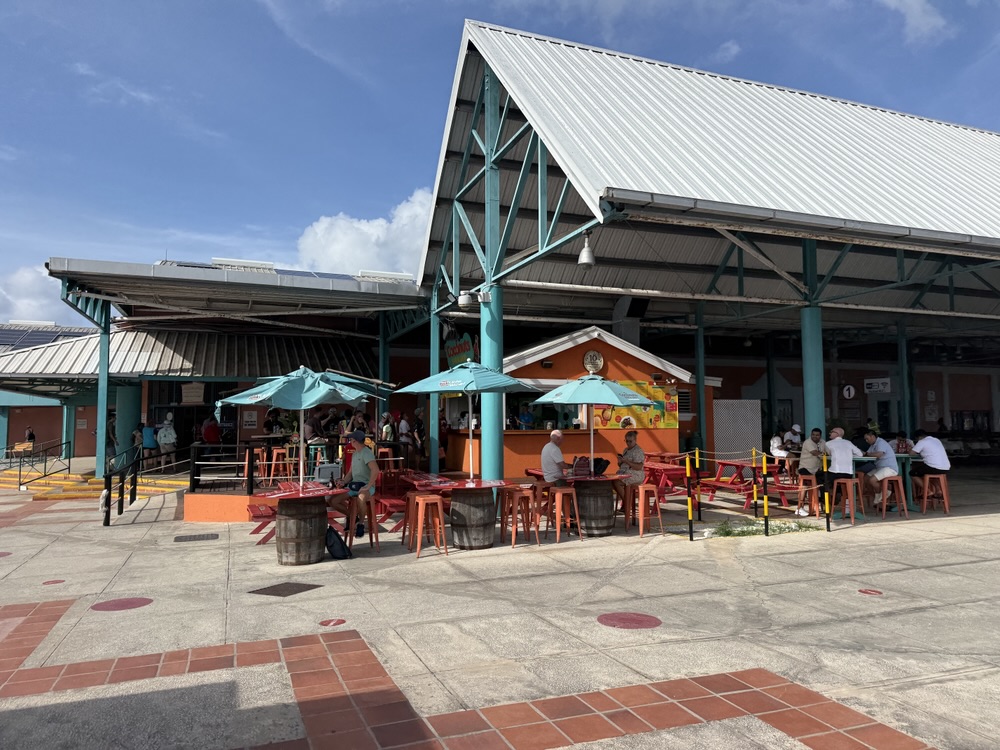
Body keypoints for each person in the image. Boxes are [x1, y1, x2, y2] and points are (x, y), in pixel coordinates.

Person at [333, 429, 380, 536]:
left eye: (351, 440)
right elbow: (350, 473)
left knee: (361, 497)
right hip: (354, 485)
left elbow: (375, 470)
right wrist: (343, 482)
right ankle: (353, 516)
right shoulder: (355, 454)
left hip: (366, 485)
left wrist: (368, 486)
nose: (350, 441)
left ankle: (361, 523)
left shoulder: (366, 452)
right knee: (333, 500)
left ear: (355, 441)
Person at [825, 427, 863, 510]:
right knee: (840, 482)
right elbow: (860, 454)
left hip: (835, 472)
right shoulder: (848, 443)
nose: (830, 433)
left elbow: (828, 454)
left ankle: (829, 499)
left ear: (837, 434)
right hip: (848, 474)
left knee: (821, 479)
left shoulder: (828, 443)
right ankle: (839, 494)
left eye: (832, 431)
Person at [908, 429, 951, 499]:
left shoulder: (922, 441)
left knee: (912, 473)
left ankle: (928, 491)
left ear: (918, 437)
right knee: (930, 474)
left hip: (933, 467)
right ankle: (938, 490)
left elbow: (911, 454)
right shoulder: (936, 440)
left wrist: (911, 449)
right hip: (945, 467)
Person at [863, 429, 899, 508]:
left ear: (872, 436)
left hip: (889, 468)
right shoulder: (873, 445)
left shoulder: (881, 442)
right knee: (866, 478)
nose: (866, 441)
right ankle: (880, 495)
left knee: (872, 480)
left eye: (867, 439)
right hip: (880, 468)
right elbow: (868, 454)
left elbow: (879, 454)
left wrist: (866, 454)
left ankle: (880, 498)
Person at [796, 428, 827, 515]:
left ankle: (824, 503)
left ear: (820, 436)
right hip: (805, 468)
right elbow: (815, 452)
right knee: (805, 484)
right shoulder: (808, 442)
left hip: (816, 469)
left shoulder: (823, 442)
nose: (815, 437)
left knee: (825, 481)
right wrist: (824, 454)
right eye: (813, 434)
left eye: (817, 435)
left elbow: (829, 451)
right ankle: (799, 508)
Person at [612, 430, 646, 507]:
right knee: (612, 481)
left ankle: (627, 503)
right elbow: (621, 466)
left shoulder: (638, 451)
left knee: (616, 482)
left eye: (630, 441)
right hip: (625, 473)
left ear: (635, 440)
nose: (628, 443)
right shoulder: (626, 450)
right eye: (626, 441)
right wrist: (620, 461)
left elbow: (639, 467)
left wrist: (627, 462)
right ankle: (626, 503)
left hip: (635, 475)